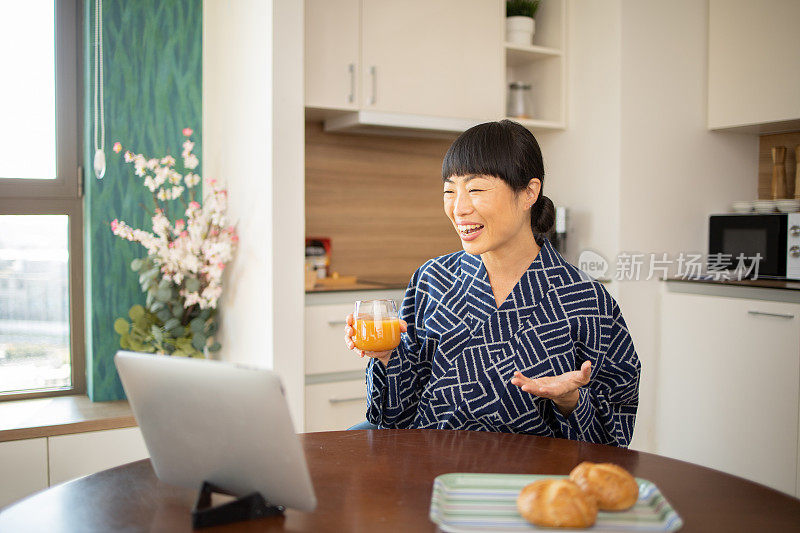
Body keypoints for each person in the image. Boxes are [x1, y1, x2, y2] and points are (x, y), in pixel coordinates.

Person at [343, 120, 640, 447]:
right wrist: (386, 358)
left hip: (530, 486)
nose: (459, 208)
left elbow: (613, 441)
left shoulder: (587, 301)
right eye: (449, 191)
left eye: (475, 189)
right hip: (428, 471)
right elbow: (393, 419)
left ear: (529, 192)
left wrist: (571, 400)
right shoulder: (432, 279)